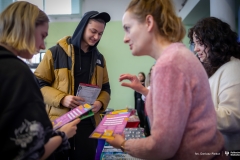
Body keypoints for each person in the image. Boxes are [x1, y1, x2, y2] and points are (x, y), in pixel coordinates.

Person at [106, 0, 227, 159]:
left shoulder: (169, 64)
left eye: (128, 29)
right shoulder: (175, 56)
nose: (125, 38)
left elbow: (162, 146)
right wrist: (144, 90)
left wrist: (123, 144)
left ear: (149, 22)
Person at [0, 1, 80, 160]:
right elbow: (30, 152)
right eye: (42, 36)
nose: (43, 45)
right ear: (26, 29)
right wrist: (63, 134)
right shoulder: (18, 72)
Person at [34, 10, 111, 160]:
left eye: (100, 34)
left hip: (88, 125)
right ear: (83, 27)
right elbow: (38, 84)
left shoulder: (100, 59)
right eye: (93, 31)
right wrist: (62, 98)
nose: (96, 37)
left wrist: (100, 102)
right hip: (59, 123)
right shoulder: (55, 53)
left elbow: (106, 88)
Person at [188, 17, 240, 157]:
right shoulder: (215, 69)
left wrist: (191, 111)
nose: (196, 49)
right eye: (194, 43)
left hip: (232, 152)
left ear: (215, 42)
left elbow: (233, 118)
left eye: (200, 43)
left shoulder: (233, 68)